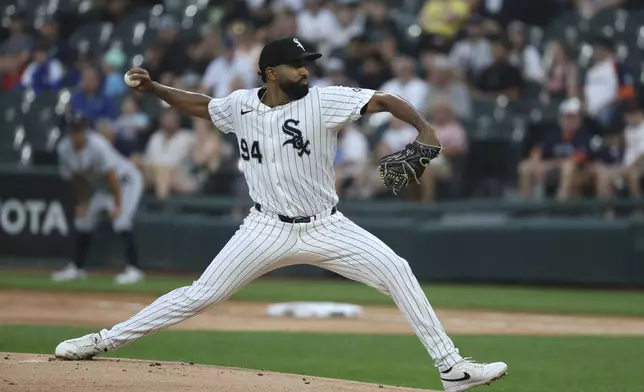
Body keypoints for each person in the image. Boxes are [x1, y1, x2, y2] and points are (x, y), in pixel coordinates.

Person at [54, 36, 507, 392]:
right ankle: (103, 340)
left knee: (397, 270)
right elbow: (200, 106)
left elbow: (385, 100)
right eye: (297, 64)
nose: (306, 69)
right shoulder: (240, 105)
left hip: (326, 225)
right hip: (264, 227)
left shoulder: (323, 101)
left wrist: (425, 128)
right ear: (271, 72)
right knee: (200, 295)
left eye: (307, 62)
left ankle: (451, 368)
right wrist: (154, 89)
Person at [51, 114, 145, 285]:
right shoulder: (64, 149)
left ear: (86, 130)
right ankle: (77, 268)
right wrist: (83, 202)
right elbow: (77, 179)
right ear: (69, 131)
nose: (77, 133)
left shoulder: (97, 145)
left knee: (121, 220)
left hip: (125, 181)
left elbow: (112, 177)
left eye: (80, 129)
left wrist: (117, 205)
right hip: (102, 186)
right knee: (83, 220)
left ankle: (134, 269)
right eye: (74, 130)